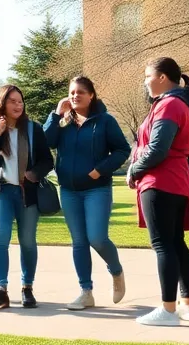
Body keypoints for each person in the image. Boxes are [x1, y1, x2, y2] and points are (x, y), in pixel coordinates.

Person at [127, 57, 189, 326]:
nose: (145, 81)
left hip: (161, 181)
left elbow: (158, 148)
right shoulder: (175, 103)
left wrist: (134, 168)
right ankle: (188, 305)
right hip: (175, 180)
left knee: (163, 245)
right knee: (175, 242)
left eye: (148, 76)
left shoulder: (169, 104)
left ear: (162, 77)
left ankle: (168, 309)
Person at [43, 75, 131, 310]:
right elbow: (46, 142)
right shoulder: (63, 122)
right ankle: (86, 292)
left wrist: (99, 170)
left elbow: (123, 150)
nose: (75, 95)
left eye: (81, 92)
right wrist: (55, 114)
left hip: (96, 189)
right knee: (79, 242)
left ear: (91, 95)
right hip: (69, 191)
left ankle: (116, 271)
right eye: (72, 92)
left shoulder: (105, 121)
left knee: (97, 238)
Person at [0, 84, 54, 310]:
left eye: (20, 101)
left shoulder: (33, 129)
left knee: (28, 242)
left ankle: (27, 288)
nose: (18, 105)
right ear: (2, 103)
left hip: (26, 192)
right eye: (13, 101)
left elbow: (47, 160)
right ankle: (0, 291)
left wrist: (34, 174)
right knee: (0, 239)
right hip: (0, 191)